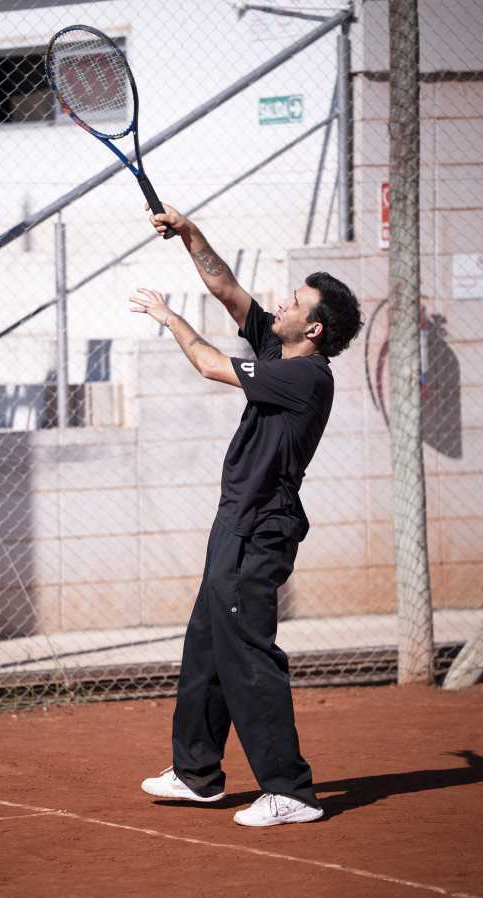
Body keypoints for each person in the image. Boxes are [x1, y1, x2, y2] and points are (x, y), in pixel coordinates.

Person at [130, 205, 363, 827]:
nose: (281, 303)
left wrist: (169, 317)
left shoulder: (306, 376)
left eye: (295, 302)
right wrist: (188, 232)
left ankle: (291, 791)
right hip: (235, 519)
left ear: (314, 329)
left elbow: (209, 363)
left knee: (248, 655)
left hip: (261, 526)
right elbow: (227, 289)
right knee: (207, 644)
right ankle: (197, 773)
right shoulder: (277, 348)